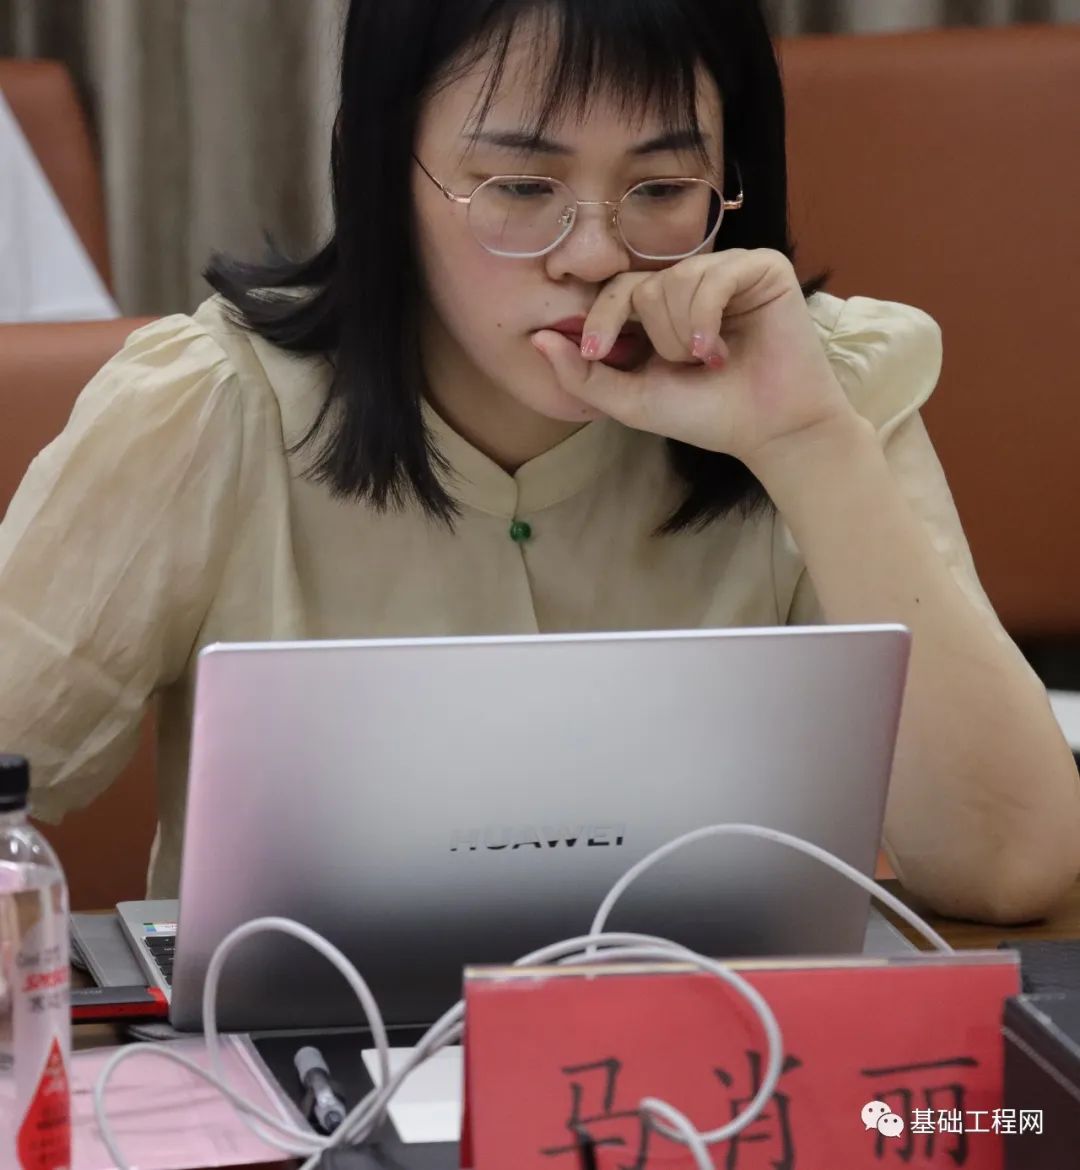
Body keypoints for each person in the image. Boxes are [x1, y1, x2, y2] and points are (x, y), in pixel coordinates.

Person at [1, 0, 1077, 920]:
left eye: (663, 188)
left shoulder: (812, 386)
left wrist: (803, 445)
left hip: (722, 1071)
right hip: (307, 1082)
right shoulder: (212, 410)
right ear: (378, 167)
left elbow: (1011, 867)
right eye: (520, 188)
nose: (595, 254)